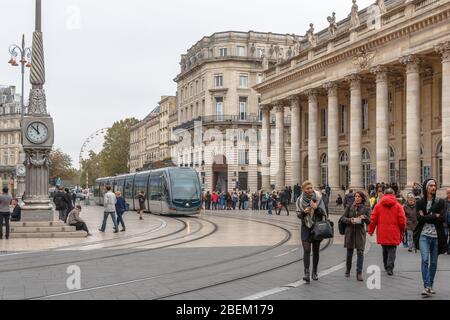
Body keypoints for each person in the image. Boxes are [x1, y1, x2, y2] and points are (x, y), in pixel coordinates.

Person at [414, 179, 448, 297]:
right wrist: (434, 215)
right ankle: (427, 286)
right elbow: (419, 218)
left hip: (436, 236)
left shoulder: (440, 202)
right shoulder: (419, 202)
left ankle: (431, 285)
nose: (433, 187)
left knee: (433, 263)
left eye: (435, 185)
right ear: (426, 187)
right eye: (431, 185)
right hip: (423, 235)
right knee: (425, 260)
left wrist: (428, 216)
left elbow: (442, 217)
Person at [368, 189, 406, 276]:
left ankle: (386, 265)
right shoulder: (398, 206)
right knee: (392, 250)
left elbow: (373, 219)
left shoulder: (378, 206)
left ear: (384, 195)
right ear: (393, 194)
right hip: (394, 231)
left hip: (382, 232)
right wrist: (403, 229)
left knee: (384, 249)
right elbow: (402, 220)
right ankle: (390, 267)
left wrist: (370, 230)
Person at [296, 181, 328, 283]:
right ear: (303, 190)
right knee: (306, 250)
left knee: (315, 251)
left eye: (311, 188)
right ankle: (306, 273)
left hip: (316, 227)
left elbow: (324, 212)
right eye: (307, 188)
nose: (310, 190)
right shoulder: (299, 200)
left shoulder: (318, 198)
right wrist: (303, 212)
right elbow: (298, 215)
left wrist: (316, 208)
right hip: (305, 227)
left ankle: (314, 272)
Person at [341, 191, 370, 281]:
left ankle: (359, 273)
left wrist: (365, 217)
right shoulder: (349, 206)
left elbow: (369, 222)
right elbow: (343, 218)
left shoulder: (366, 208)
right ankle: (348, 270)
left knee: (360, 252)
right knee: (349, 252)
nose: (357, 198)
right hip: (350, 232)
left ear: (362, 198)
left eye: (359, 196)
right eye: (356, 196)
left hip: (360, 232)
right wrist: (350, 220)